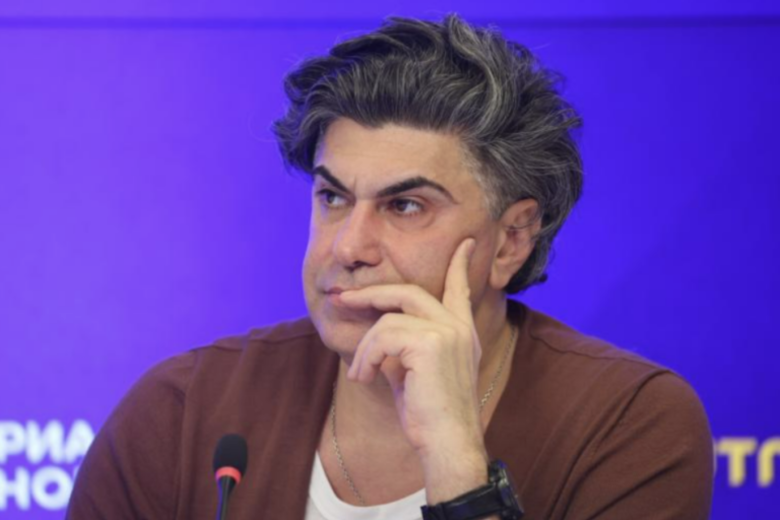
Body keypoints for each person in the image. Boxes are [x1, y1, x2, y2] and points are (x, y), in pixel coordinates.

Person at [66, 13, 714, 520]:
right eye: (332, 197)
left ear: (511, 241)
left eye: (405, 206)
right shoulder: (181, 412)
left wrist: (457, 461)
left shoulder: (627, 424)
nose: (348, 247)